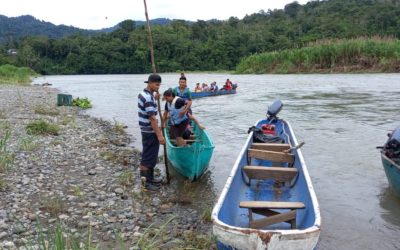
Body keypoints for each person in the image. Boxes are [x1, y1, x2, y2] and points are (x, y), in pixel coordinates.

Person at [137, 73, 165, 191]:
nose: (158, 87)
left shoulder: (145, 95)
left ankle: (150, 178)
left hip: (147, 129)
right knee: (147, 156)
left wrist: (155, 98)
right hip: (149, 131)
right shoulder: (148, 98)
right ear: (150, 83)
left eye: (159, 85)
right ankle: (145, 183)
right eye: (156, 85)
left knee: (152, 156)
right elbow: (152, 118)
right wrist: (160, 135)